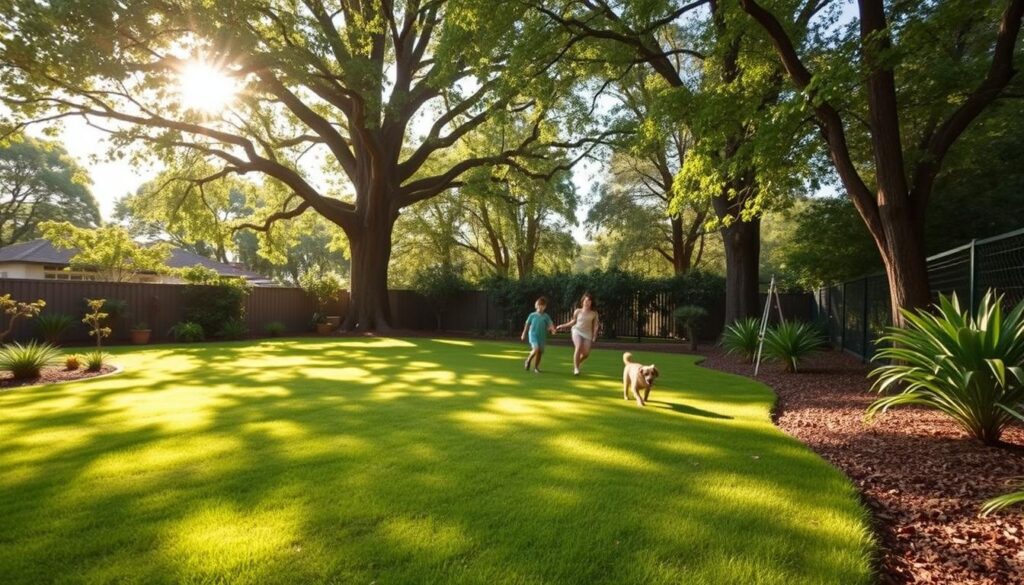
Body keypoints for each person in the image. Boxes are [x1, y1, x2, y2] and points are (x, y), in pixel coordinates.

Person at [556, 292, 599, 376]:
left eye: (589, 301)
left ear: (591, 302)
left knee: (586, 354)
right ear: (582, 302)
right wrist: (562, 325)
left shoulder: (594, 313)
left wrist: (594, 336)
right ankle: (576, 368)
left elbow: (595, 326)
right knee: (578, 346)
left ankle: (576, 364)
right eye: (585, 301)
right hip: (577, 331)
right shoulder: (578, 311)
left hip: (587, 333)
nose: (587, 303)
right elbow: (573, 322)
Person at [521, 296, 556, 373]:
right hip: (533, 334)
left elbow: (550, 324)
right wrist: (524, 333)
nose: (541, 307)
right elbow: (527, 324)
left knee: (539, 352)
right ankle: (528, 360)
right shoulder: (532, 315)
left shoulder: (546, 316)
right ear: (536, 305)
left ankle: (536, 367)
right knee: (536, 348)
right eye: (539, 305)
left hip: (542, 337)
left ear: (545, 307)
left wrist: (553, 330)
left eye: (543, 305)